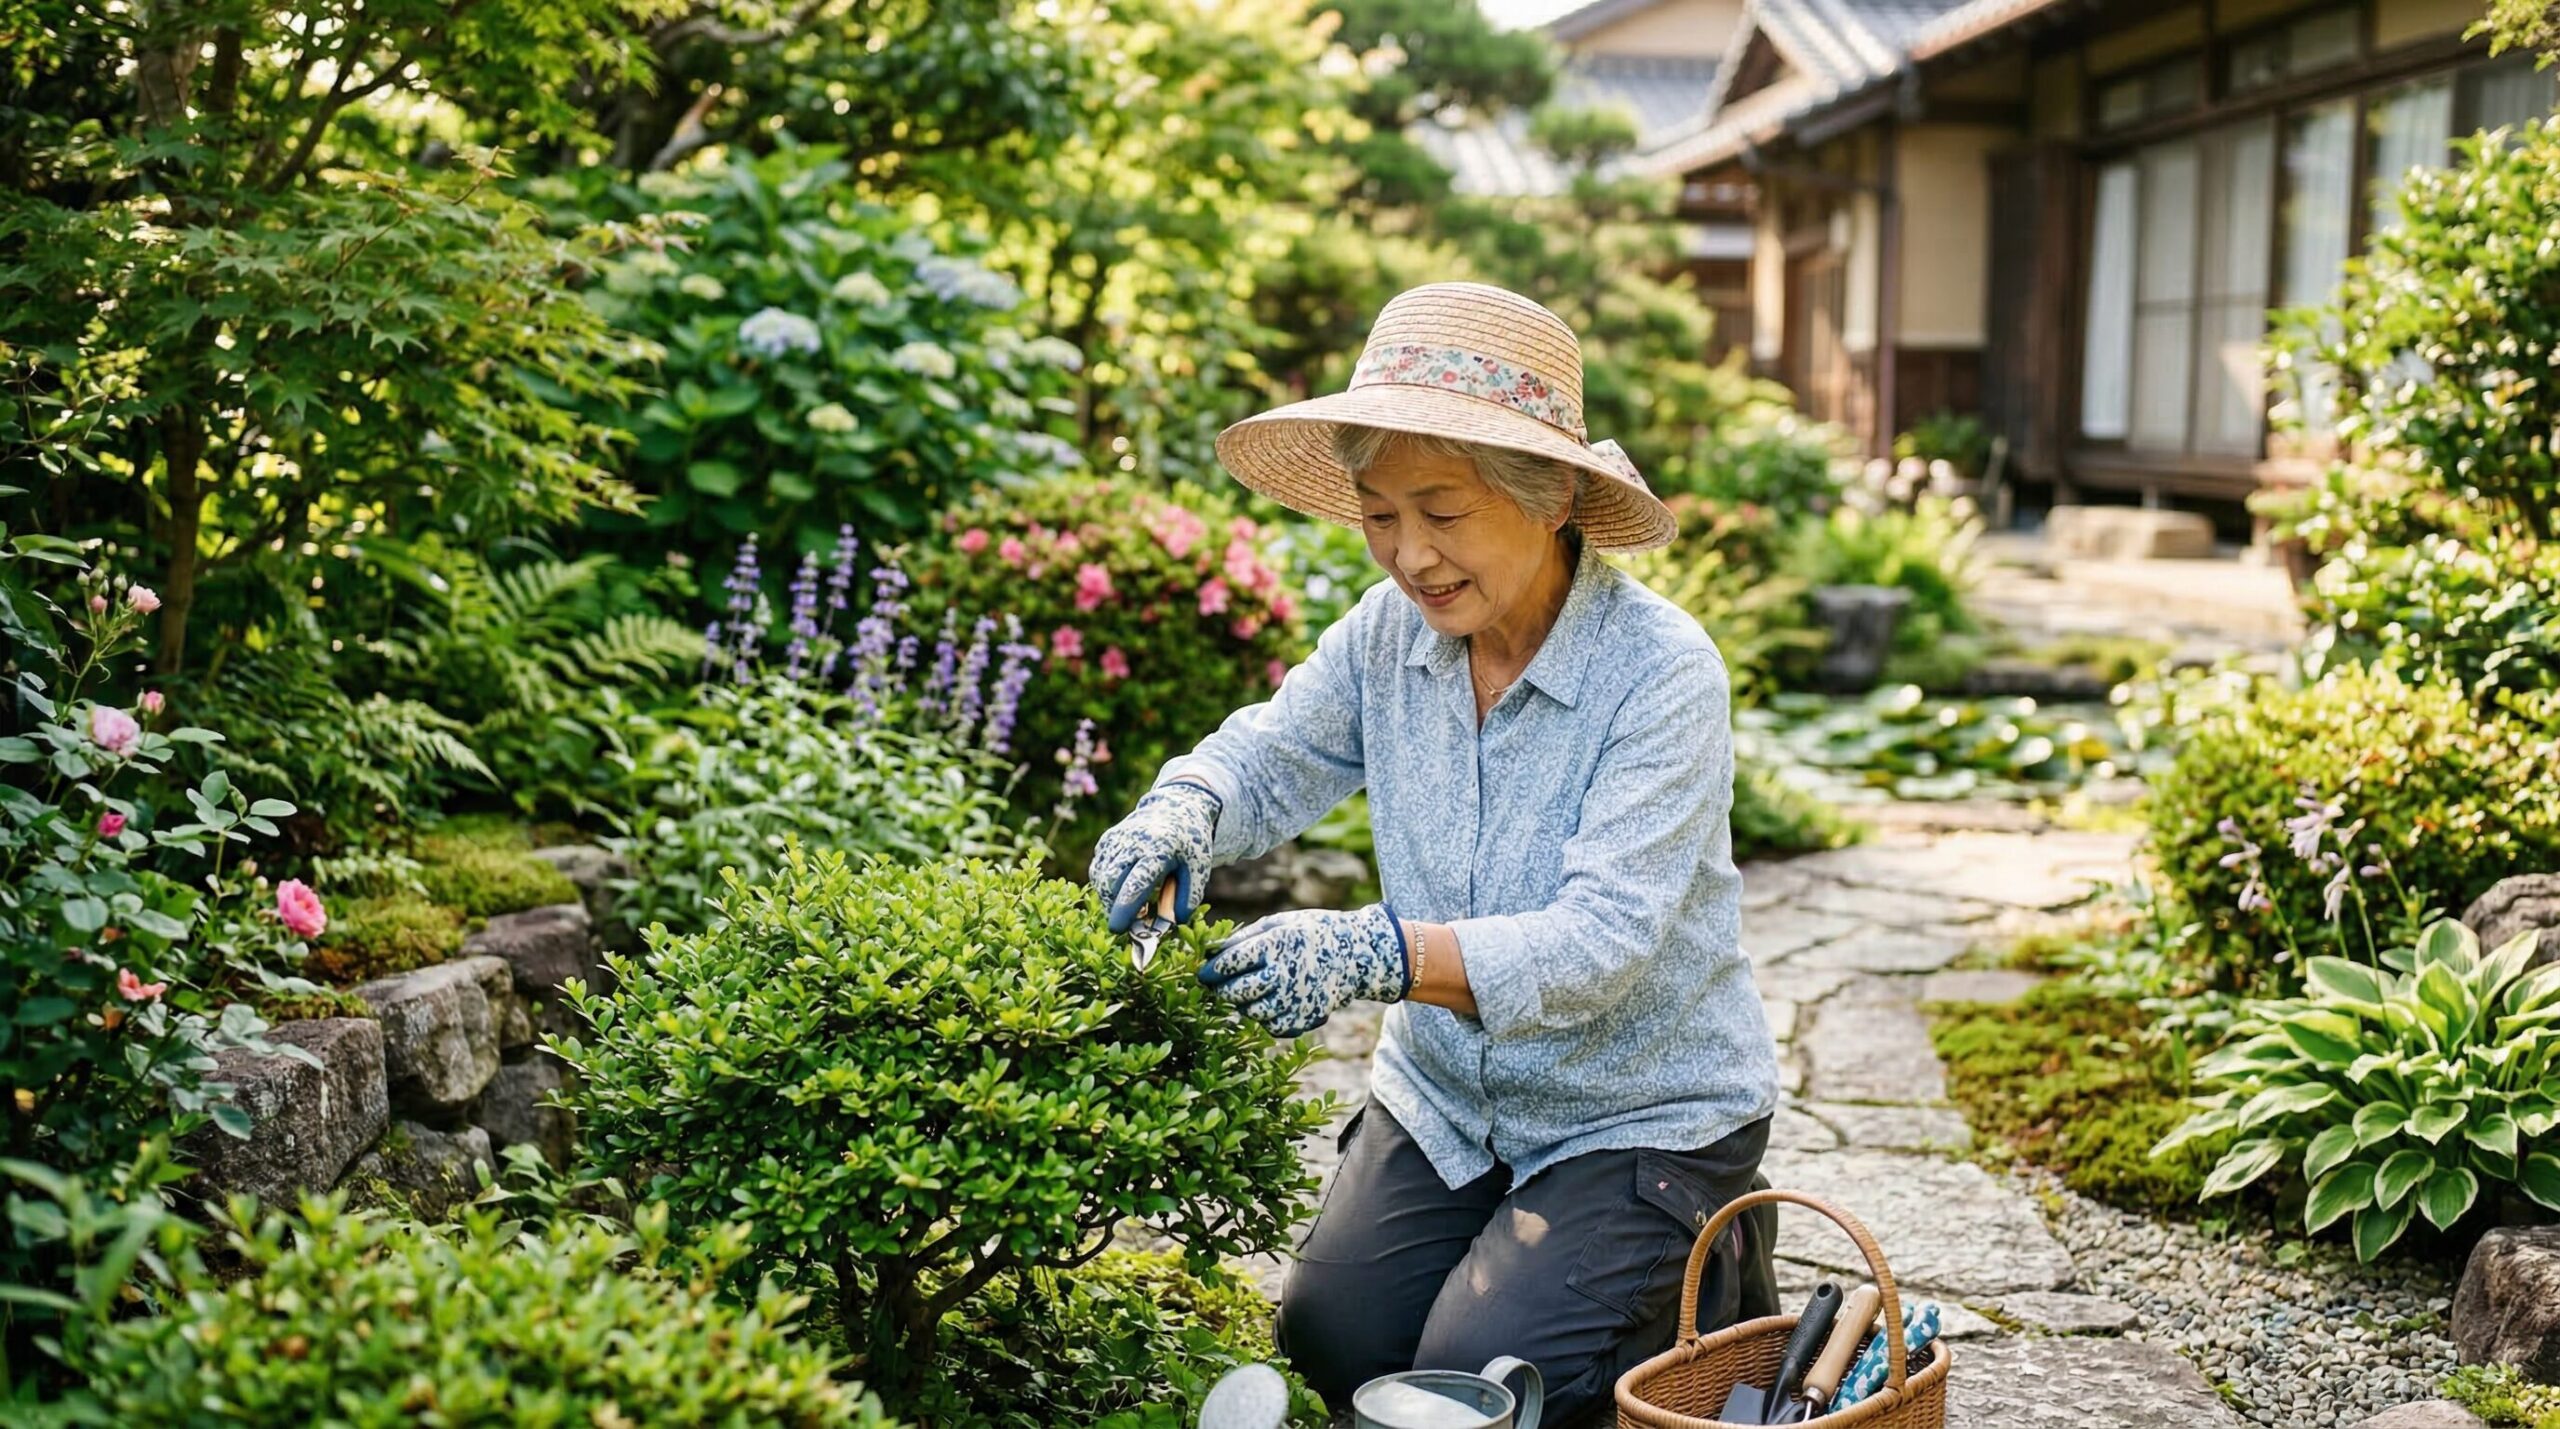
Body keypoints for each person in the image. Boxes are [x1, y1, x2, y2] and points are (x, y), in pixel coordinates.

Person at [1088, 281, 1779, 1427]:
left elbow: (1600, 944)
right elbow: (1269, 755)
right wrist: (1185, 810)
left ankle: (1706, 1250)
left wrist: (1377, 951)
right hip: (1450, 1097)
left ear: (1550, 494)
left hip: (1638, 1109)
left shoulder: (1660, 672)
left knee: (1469, 1386)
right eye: (1377, 514)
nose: (1408, 555)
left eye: (1442, 511)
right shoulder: (1387, 635)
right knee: (1332, 1337)